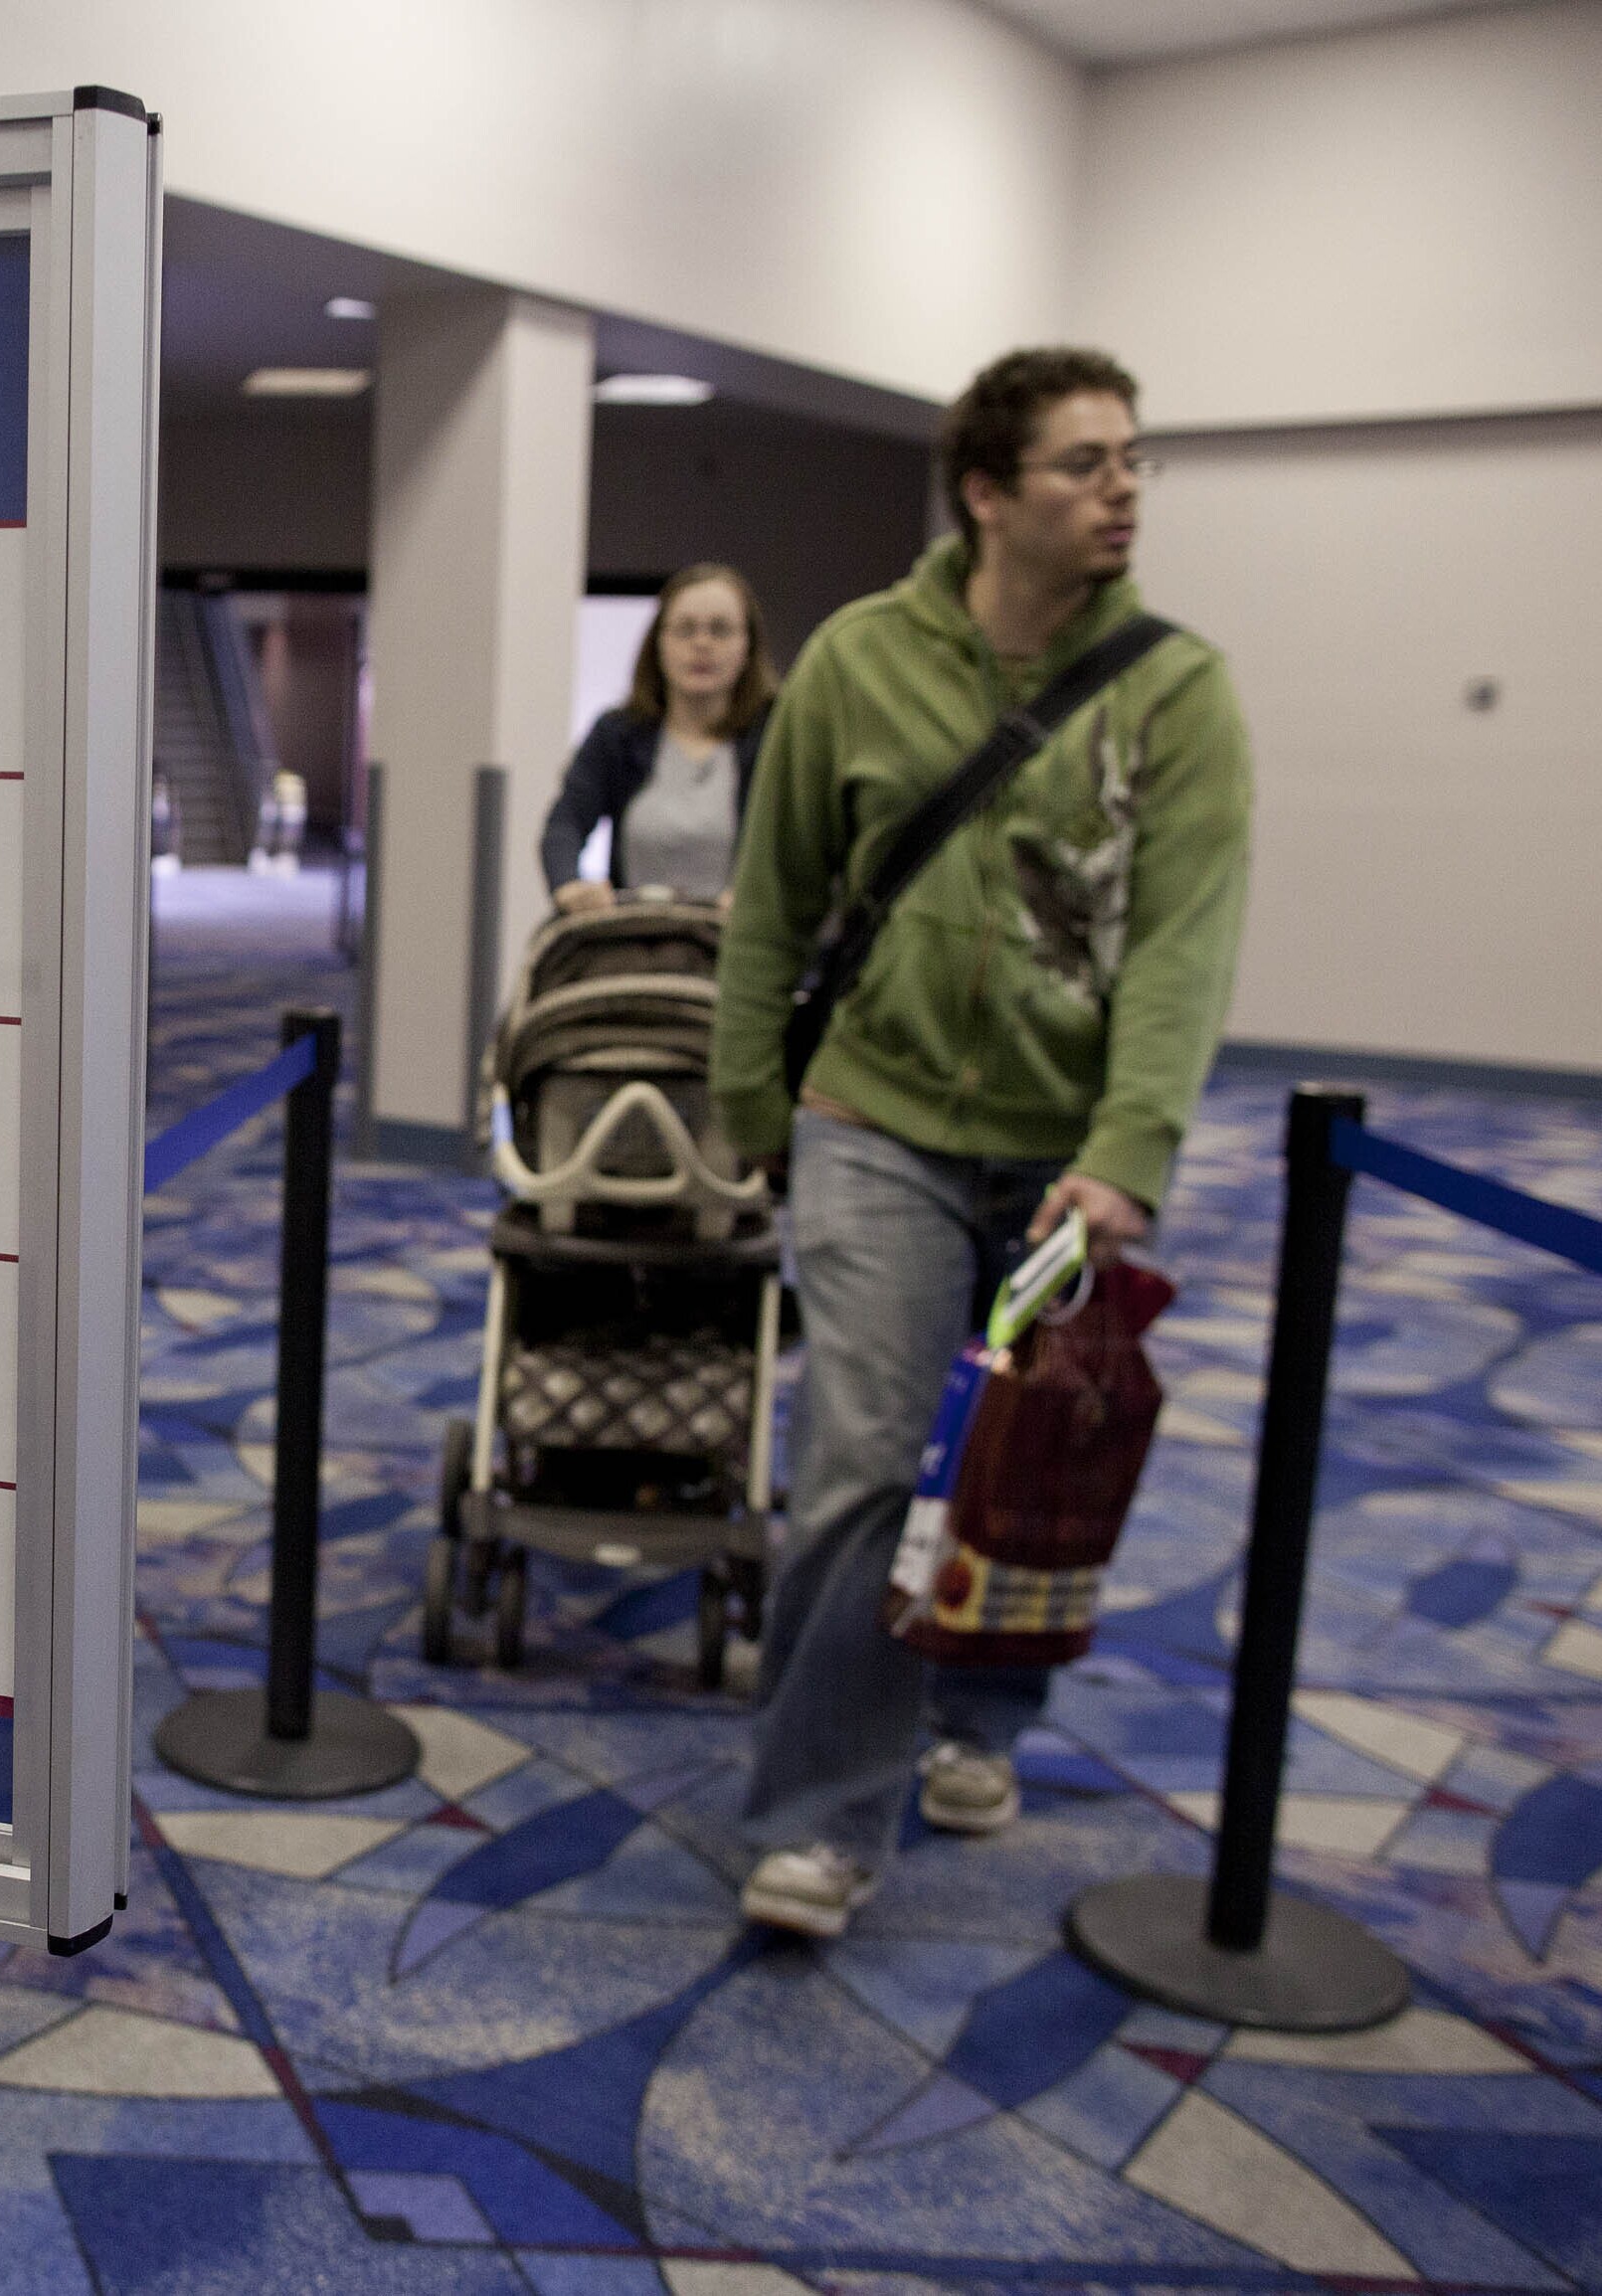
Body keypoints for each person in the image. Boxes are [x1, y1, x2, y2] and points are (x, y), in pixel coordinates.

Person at [708, 347, 1252, 1939]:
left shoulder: (1177, 691)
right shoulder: (858, 662)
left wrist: (1127, 1146)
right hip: (871, 1124)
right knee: (869, 1465)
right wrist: (757, 1107)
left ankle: (979, 1723)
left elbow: (1180, 946)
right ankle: (817, 1816)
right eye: (1085, 464)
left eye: (1132, 461)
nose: (1121, 490)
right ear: (986, 493)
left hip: (1062, 1154)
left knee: (1026, 1468)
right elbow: (775, 904)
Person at [540, 564, 778, 910]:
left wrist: (761, 902)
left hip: (738, 946)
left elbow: (805, 845)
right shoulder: (617, 734)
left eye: (720, 630)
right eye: (685, 630)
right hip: (636, 941)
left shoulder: (775, 736)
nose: (702, 643)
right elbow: (565, 823)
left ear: (748, 647)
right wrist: (569, 887)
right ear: (658, 644)